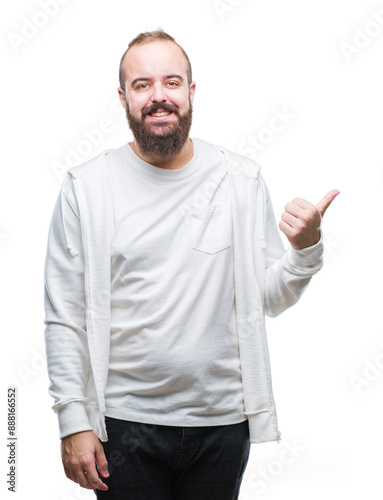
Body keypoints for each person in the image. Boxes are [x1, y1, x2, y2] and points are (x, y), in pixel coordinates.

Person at [43, 29, 339, 500]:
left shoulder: (241, 180)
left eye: (172, 82)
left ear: (191, 91)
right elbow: (64, 315)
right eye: (142, 85)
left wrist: (306, 249)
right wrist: (72, 420)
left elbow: (268, 297)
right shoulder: (87, 187)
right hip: (122, 426)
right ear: (123, 98)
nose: (159, 96)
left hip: (221, 426)